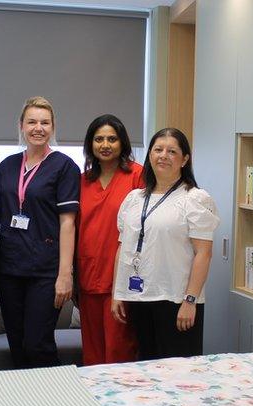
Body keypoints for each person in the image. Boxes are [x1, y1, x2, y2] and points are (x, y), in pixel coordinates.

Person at [111, 128, 219, 360]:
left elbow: (204, 254)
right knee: (147, 367)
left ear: (185, 159)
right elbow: (124, 247)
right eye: (158, 149)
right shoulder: (134, 199)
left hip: (177, 300)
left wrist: (190, 301)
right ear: (149, 155)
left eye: (172, 151)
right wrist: (117, 293)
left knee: (179, 372)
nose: (163, 155)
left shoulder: (195, 199)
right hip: (139, 297)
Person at [0, 97, 80, 369]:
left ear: (53, 127)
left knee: (37, 343)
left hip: (45, 270)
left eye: (45, 122)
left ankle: (52, 401)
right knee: (17, 343)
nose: (38, 128)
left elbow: (68, 223)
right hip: (9, 268)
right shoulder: (6, 166)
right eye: (32, 121)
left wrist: (65, 275)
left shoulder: (64, 167)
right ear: (21, 126)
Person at [76, 115, 142, 366]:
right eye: (99, 139)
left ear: (122, 142)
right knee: (92, 352)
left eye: (112, 139)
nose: (105, 144)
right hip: (88, 274)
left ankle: (123, 404)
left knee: (120, 350)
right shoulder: (83, 180)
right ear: (90, 144)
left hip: (122, 276)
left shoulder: (137, 176)